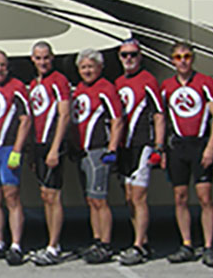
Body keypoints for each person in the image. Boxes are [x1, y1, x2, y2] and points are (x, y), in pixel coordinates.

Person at [160, 41, 213, 267]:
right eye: (178, 57)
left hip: (200, 145)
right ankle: (186, 244)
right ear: (172, 61)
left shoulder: (206, 83)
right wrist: (162, 149)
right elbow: (163, 119)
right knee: (180, 198)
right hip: (177, 147)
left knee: (205, 198)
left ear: (193, 58)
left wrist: (210, 146)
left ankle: (208, 247)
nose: (183, 61)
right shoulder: (167, 86)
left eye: (187, 56)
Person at [70, 49, 125, 264]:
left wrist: (111, 149)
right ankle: (96, 239)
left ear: (100, 68)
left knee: (100, 199)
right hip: (82, 151)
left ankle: (106, 243)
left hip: (98, 149)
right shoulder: (80, 89)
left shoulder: (106, 88)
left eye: (91, 66)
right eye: (83, 67)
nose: (87, 71)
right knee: (91, 199)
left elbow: (117, 120)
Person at [113, 39, 165, 266]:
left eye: (133, 54)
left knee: (139, 197)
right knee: (128, 198)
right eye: (125, 55)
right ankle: (142, 241)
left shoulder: (148, 80)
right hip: (124, 148)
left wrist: (159, 146)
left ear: (140, 56)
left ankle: (138, 246)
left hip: (142, 144)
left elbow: (159, 114)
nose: (129, 59)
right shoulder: (118, 82)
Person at [0, 49, 30, 266]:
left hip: (9, 148)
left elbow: (25, 120)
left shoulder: (17, 87)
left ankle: (16, 244)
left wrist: (17, 150)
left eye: (2, 65)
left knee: (12, 196)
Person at [26, 41, 72, 267]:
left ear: (52, 58)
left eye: (46, 57)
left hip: (53, 144)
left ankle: (54, 247)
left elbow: (64, 115)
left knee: (53, 196)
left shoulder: (59, 81)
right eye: (38, 58)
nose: (42, 62)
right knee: (45, 196)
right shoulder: (34, 84)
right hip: (38, 145)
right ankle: (50, 243)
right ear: (32, 59)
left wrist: (55, 148)